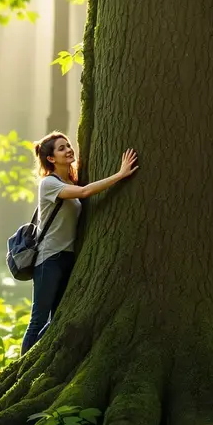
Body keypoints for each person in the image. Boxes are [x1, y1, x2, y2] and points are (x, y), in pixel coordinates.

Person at [21, 131, 138, 353]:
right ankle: (22, 367)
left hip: (67, 258)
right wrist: (120, 174)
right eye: (61, 148)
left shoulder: (70, 180)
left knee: (58, 319)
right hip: (49, 259)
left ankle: (40, 358)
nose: (68, 150)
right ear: (51, 158)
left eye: (68, 145)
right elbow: (85, 192)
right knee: (38, 321)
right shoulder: (49, 183)